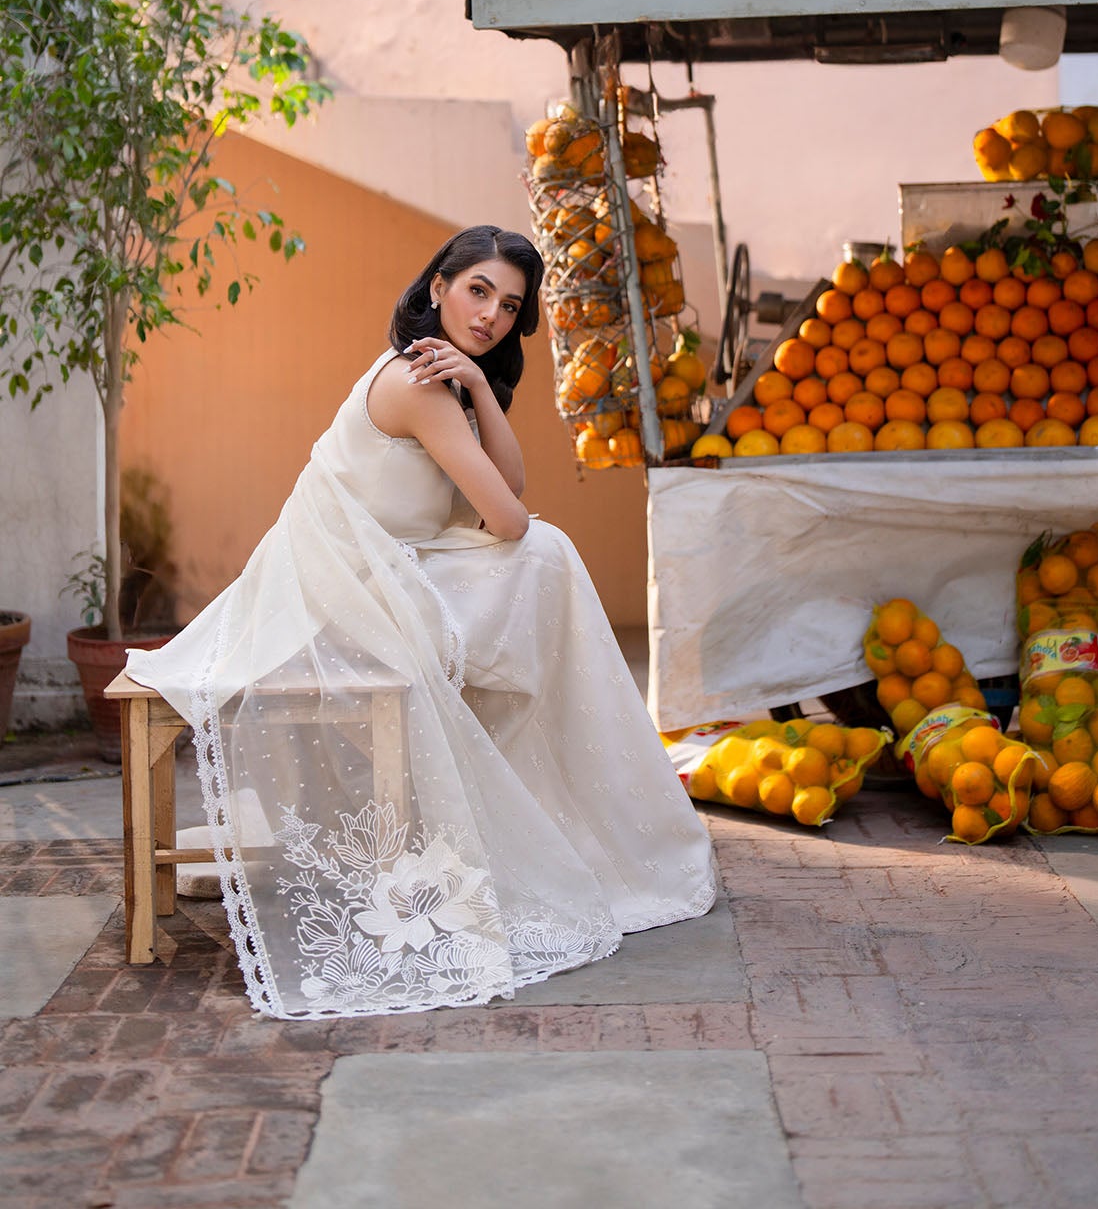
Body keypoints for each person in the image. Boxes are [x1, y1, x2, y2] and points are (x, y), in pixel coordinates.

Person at [126, 225, 715, 1019]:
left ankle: (524, 755)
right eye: (478, 291)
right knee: (547, 556)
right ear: (437, 285)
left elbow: (510, 485)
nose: (492, 315)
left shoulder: (444, 380)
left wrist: (479, 385)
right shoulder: (413, 381)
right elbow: (508, 521)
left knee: (547, 559)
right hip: (342, 604)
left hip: (385, 580)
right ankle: (538, 766)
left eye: (510, 306)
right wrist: (463, 387)